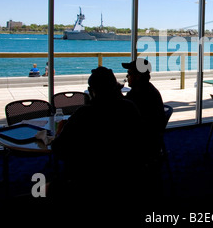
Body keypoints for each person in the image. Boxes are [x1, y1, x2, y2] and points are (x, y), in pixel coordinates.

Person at [51, 66, 145, 204]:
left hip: (87, 183)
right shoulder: (130, 108)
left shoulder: (83, 114)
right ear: (116, 87)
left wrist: (59, 132)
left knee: (43, 189)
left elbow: (58, 149)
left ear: (91, 91)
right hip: (126, 179)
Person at [122, 58, 166, 159]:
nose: (127, 76)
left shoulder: (138, 95)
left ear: (138, 76)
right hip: (152, 141)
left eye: (129, 73)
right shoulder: (148, 90)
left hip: (142, 145)